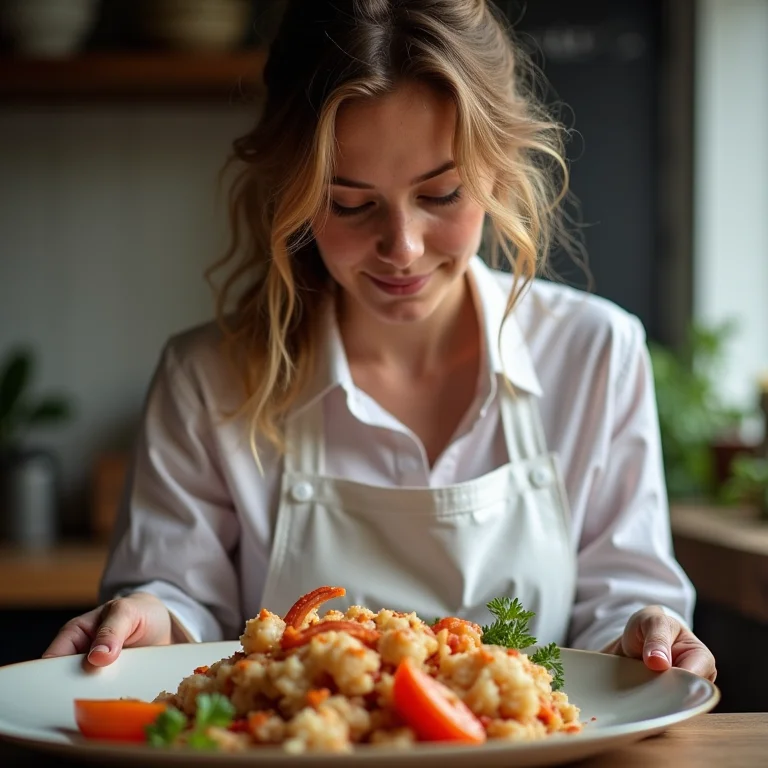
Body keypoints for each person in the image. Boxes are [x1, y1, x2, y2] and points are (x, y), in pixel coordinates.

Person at [44, 0, 716, 682]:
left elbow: (620, 604)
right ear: (295, 197)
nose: (403, 247)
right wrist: (150, 617)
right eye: (350, 203)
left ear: (501, 168)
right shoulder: (206, 377)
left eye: (443, 193)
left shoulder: (595, 352)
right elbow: (181, 608)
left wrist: (644, 631)